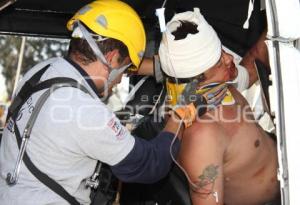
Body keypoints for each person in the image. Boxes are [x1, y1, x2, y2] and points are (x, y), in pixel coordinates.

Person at [0, 1, 226, 205]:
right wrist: (181, 113)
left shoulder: (41, 71)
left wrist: (178, 66)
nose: (121, 79)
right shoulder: (85, 111)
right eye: (126, 68)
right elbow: (151, 163)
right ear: (110, 59)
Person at [158, 9, 279, 205]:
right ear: (197, 83)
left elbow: (248, 72)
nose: (229, 59)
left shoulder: (218, 84)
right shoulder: (202, 136)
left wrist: (280, 24)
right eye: (220, 61)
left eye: (222, 52)